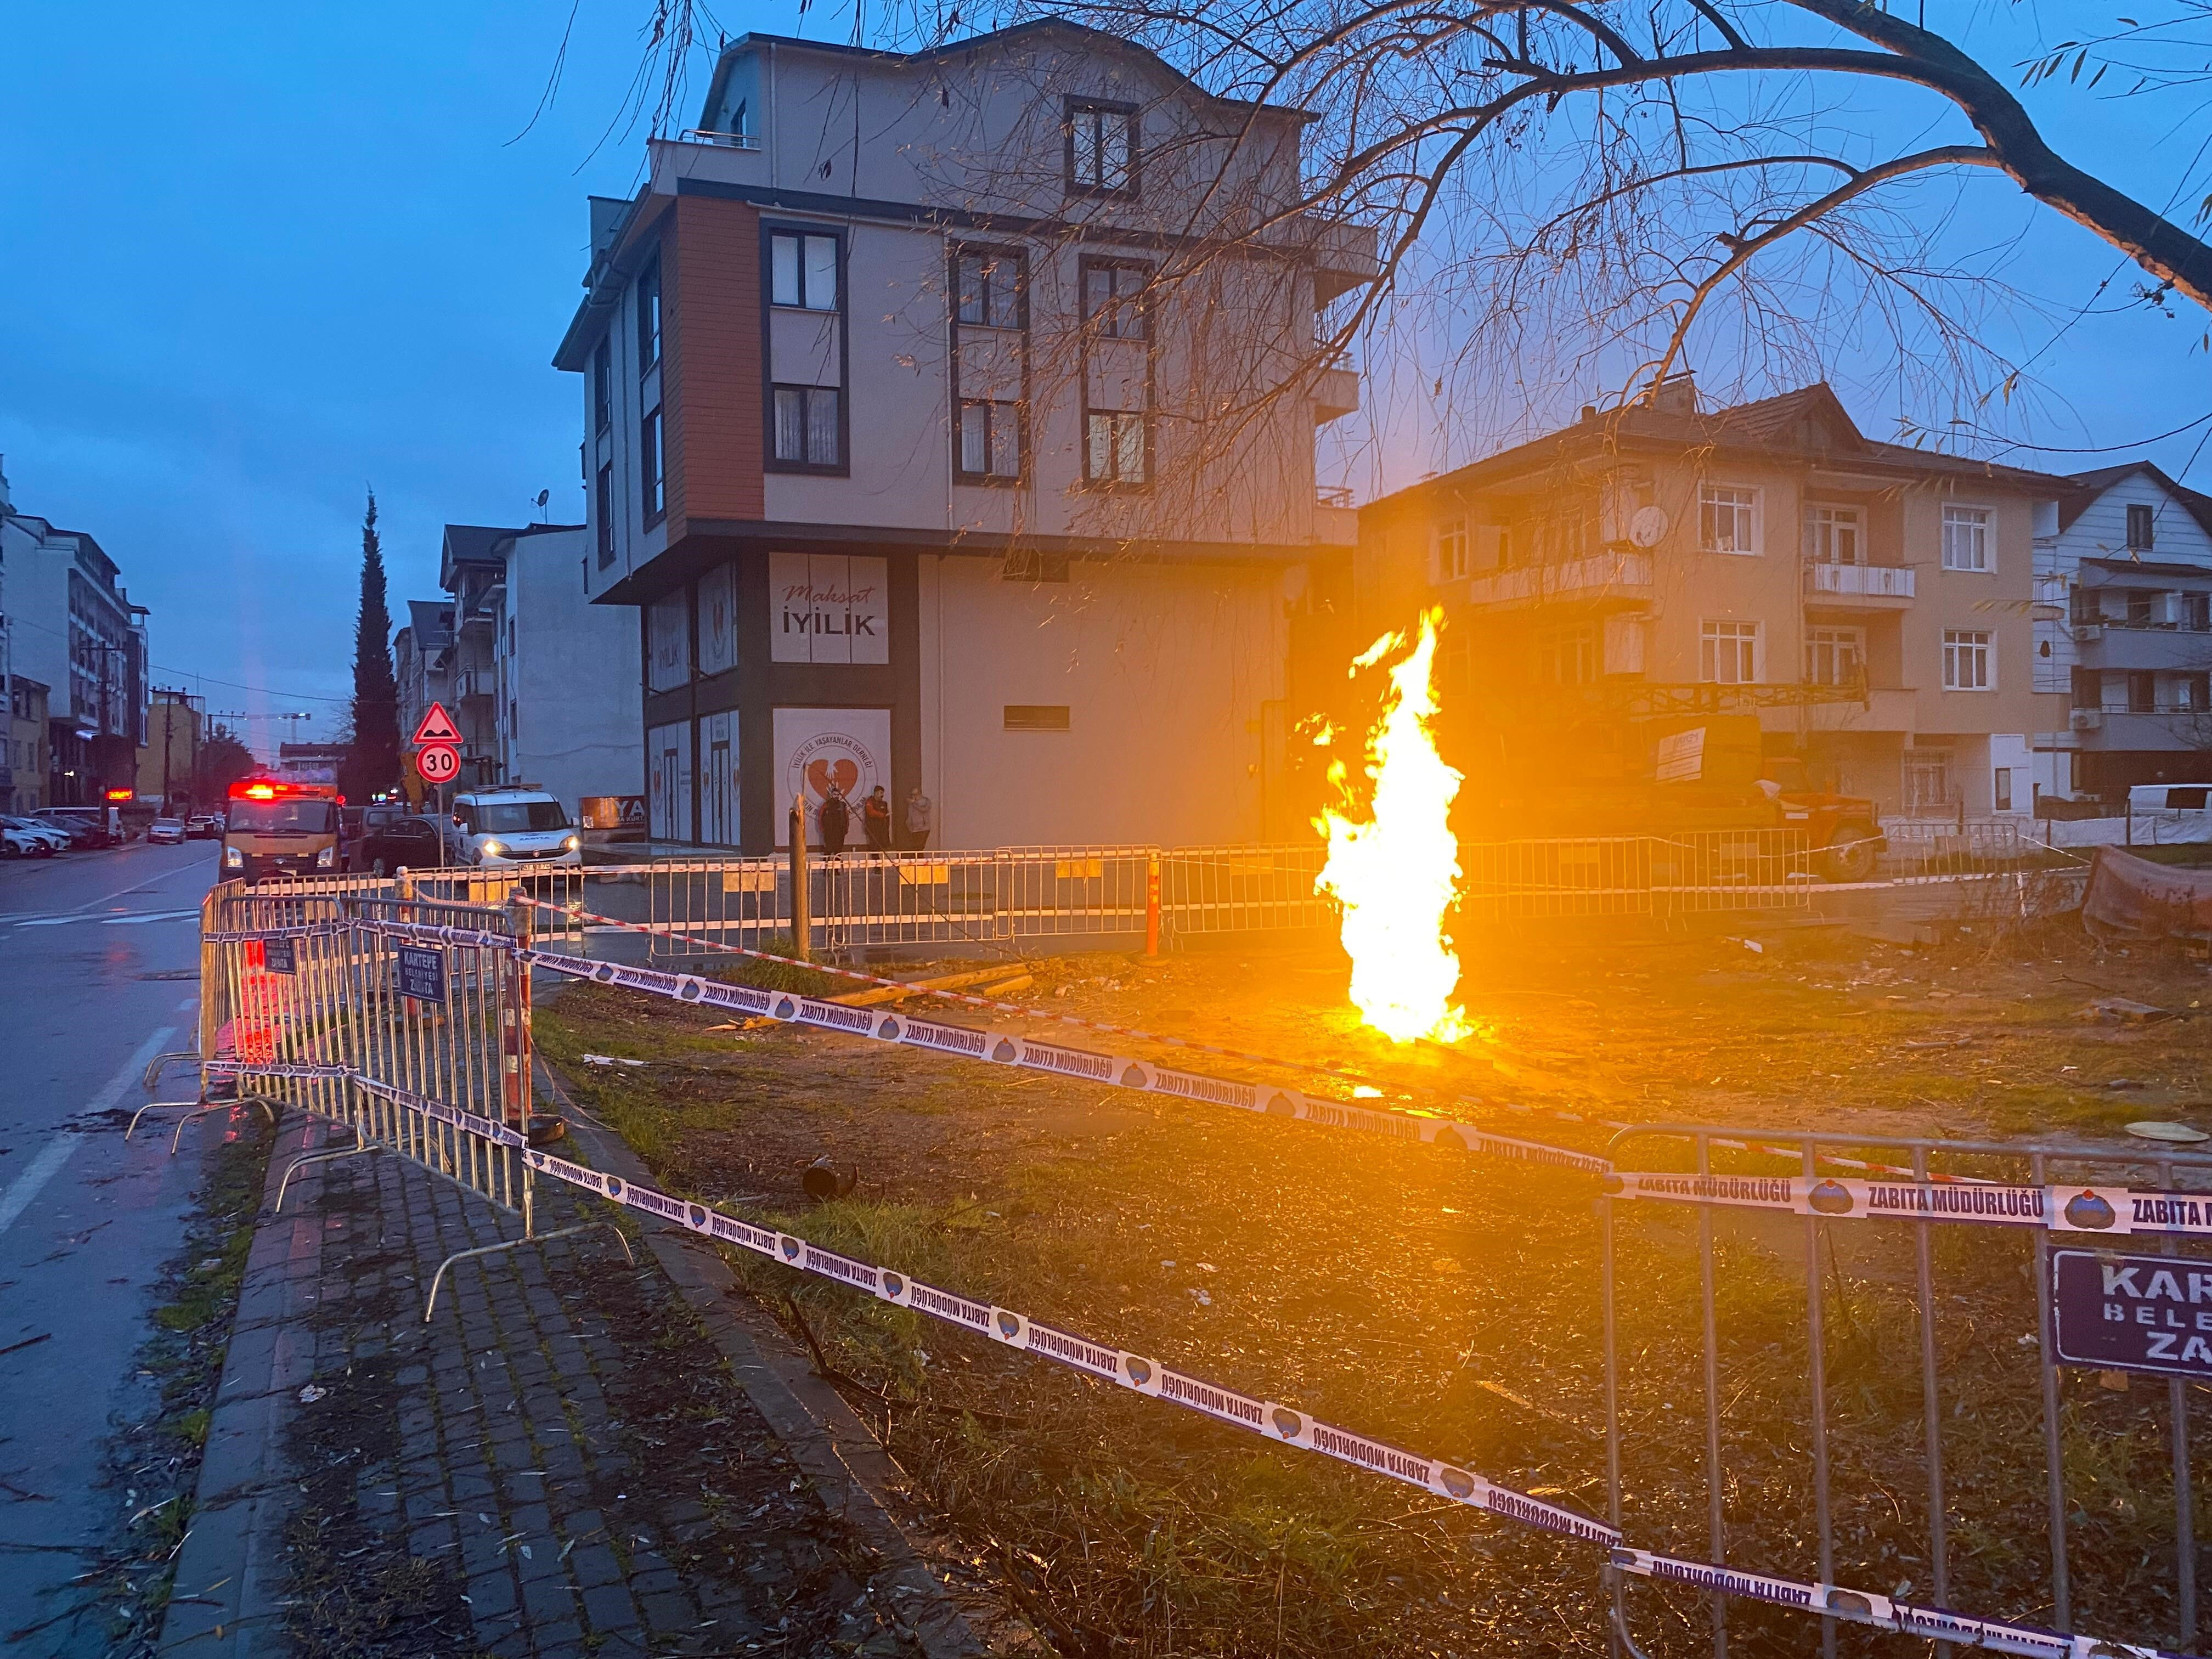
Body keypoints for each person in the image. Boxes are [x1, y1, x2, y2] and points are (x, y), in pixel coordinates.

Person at [817, 783, 850, 856]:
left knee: (838, 851)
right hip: (829, 831)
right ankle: (826, 864)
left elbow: (847, 818)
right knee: (828, 851)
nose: (836, 796)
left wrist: (846, 829)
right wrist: (823, 829)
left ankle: (837, 864)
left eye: (838, 795)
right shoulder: (826, 805)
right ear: (831, 795)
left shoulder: (843, 805)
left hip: (840, 832)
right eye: (835, 794)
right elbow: (820, 817)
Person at [862, 785, 893, 853]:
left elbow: (887, 816)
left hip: (883, 829)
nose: (882, 795)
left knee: (884, 846)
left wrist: (887, 826)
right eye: (881, 793)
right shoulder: (870, 802)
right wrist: (882, 815)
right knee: (874, 846)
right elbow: (871, 812)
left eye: (883, 793)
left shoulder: (884, 803)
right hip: (873, 828)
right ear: (876, 793)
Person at [902, 785, 933, 853]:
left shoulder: (926, 801)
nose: (914, 797)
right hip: (914, 829)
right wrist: (908, 824)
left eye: (916, 795)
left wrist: (914, 803)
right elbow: (910, 815)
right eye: (912, 795)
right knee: (915, 849)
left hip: (923, 828)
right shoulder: (911, 804)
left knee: (919, 848)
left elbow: (924, 809)